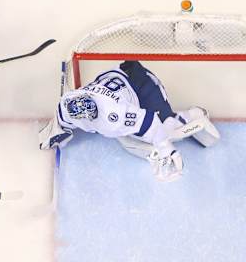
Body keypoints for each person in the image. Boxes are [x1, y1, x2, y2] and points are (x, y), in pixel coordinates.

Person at [39, 61, 220, 182]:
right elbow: (61, 121)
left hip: (141, 85)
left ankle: (193, 114)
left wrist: (166, 149)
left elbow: (152, 124)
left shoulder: (112, 116)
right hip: (117, 77)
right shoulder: (66, 105)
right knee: (128, 136)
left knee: (168, 128)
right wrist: (55, 134)